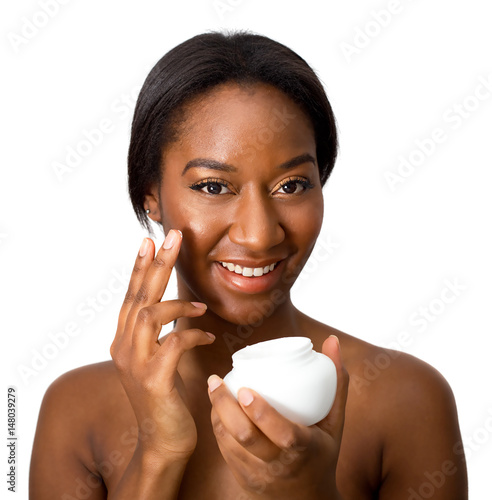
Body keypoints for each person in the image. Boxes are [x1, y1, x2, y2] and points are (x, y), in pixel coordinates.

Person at [29, 30, 468, 499]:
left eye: (293, 185)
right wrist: (159, 453)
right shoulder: (75, 411)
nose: (259, 235)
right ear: (150, 197)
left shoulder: (405, 399)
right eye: (214, 187)